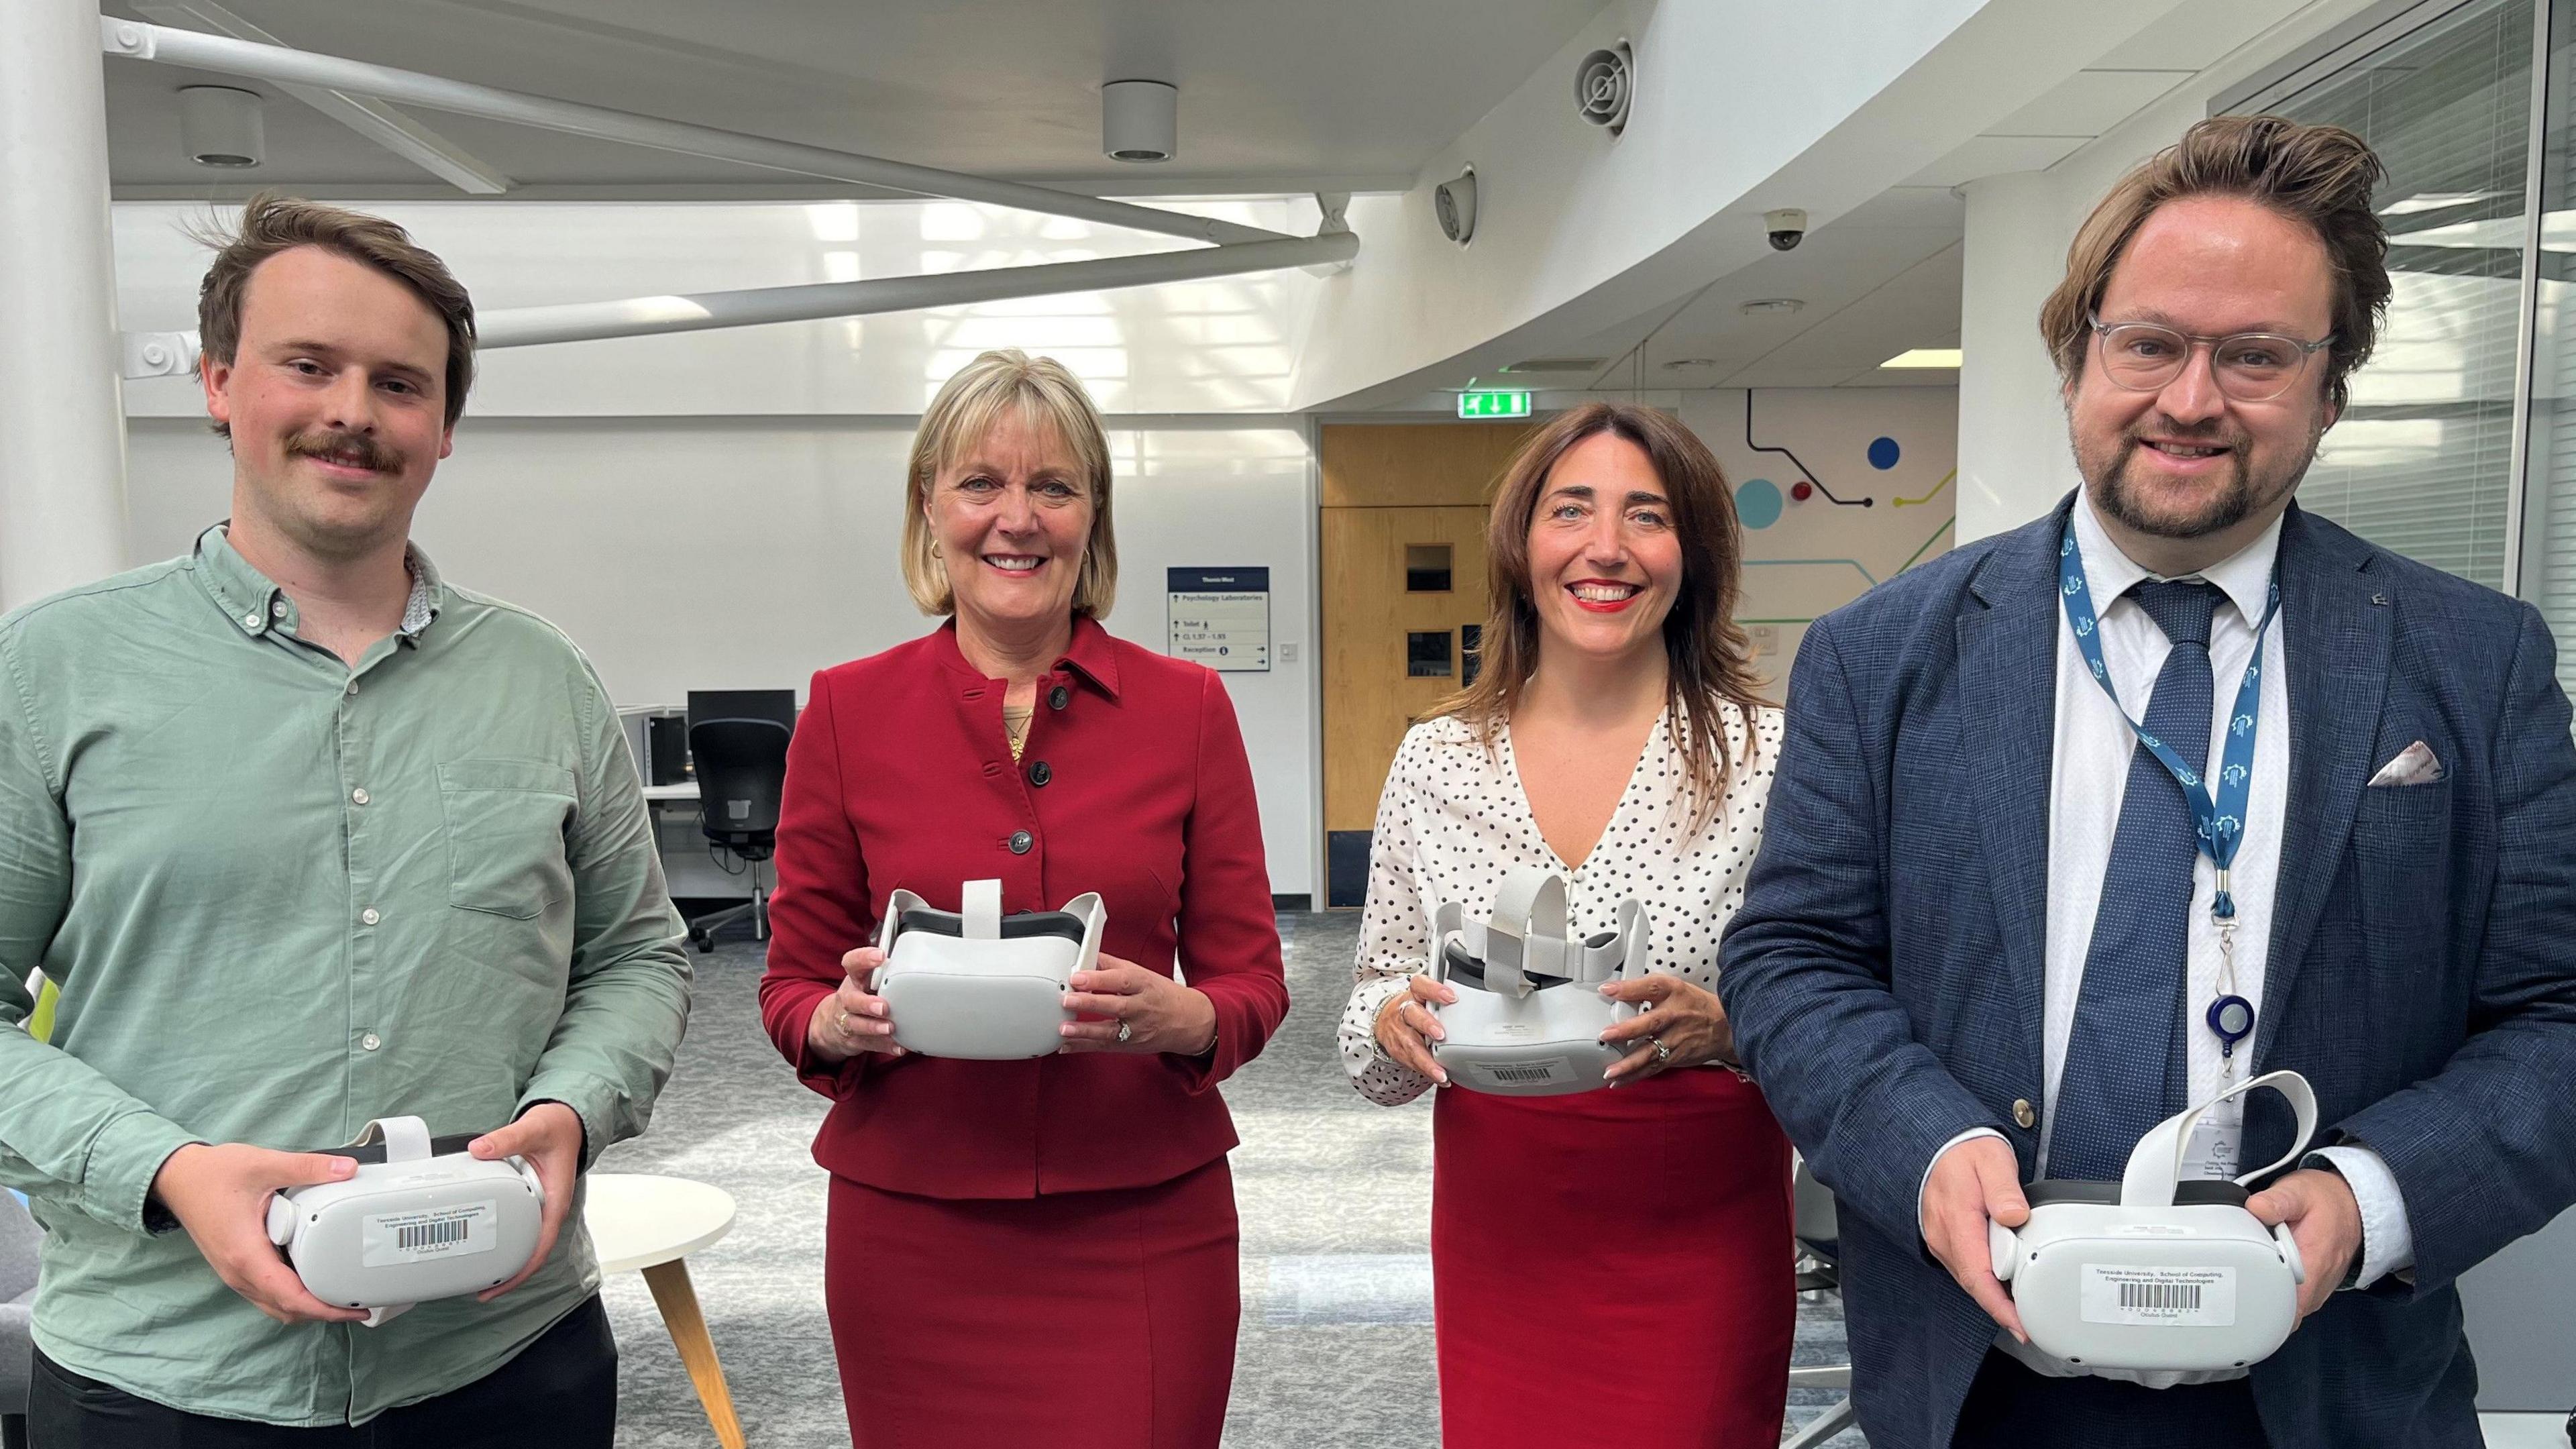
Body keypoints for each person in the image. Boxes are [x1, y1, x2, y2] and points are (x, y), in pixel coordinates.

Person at [1717, 114, 2576, 1449]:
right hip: (1982, 1382)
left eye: (2256, 356)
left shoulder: (2477, 661)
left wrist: (2374, 1194)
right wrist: (1926, 1145)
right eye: (2151, 343)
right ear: (2077, 360)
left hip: (2331, 1389)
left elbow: (2559, 1017)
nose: (2191, 398)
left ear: (2330, 390)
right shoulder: (1878, 655)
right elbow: (1795, 956)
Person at [0, 195, 694, 1446]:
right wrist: (168, 1172)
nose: (353, 413)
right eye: (308, 366)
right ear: (218, 383)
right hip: (163, 1382)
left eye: (400, 383)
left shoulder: (544, 680)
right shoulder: (54, 672)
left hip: (504, 1361)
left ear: (442, 431)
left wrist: (575, 1110)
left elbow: (637, 955)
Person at [757, 348, 1290, 1448]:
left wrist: (1183, 1019)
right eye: (980, 485)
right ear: (929, 506)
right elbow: (791, 986)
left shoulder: (1185, 708)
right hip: (911, 1224)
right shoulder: (846, 711)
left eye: (1053, 487)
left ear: (1092, 516)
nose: (1017, 519)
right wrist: (835, 1020)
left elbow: (1252, 983)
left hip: (1144, 1216)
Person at [1338, 402, 1793, 1448]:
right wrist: (1393, 1024)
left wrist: (1728, 1030)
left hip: (1701, 1231)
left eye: (1647, 516)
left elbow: (1842, 1002)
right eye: (1571, 510)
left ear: (1692, 556)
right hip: (1504, 1230)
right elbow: (1368, 997)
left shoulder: (1769, 757)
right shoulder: (1437, 759)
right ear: (1520, 544)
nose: (1606, 547)